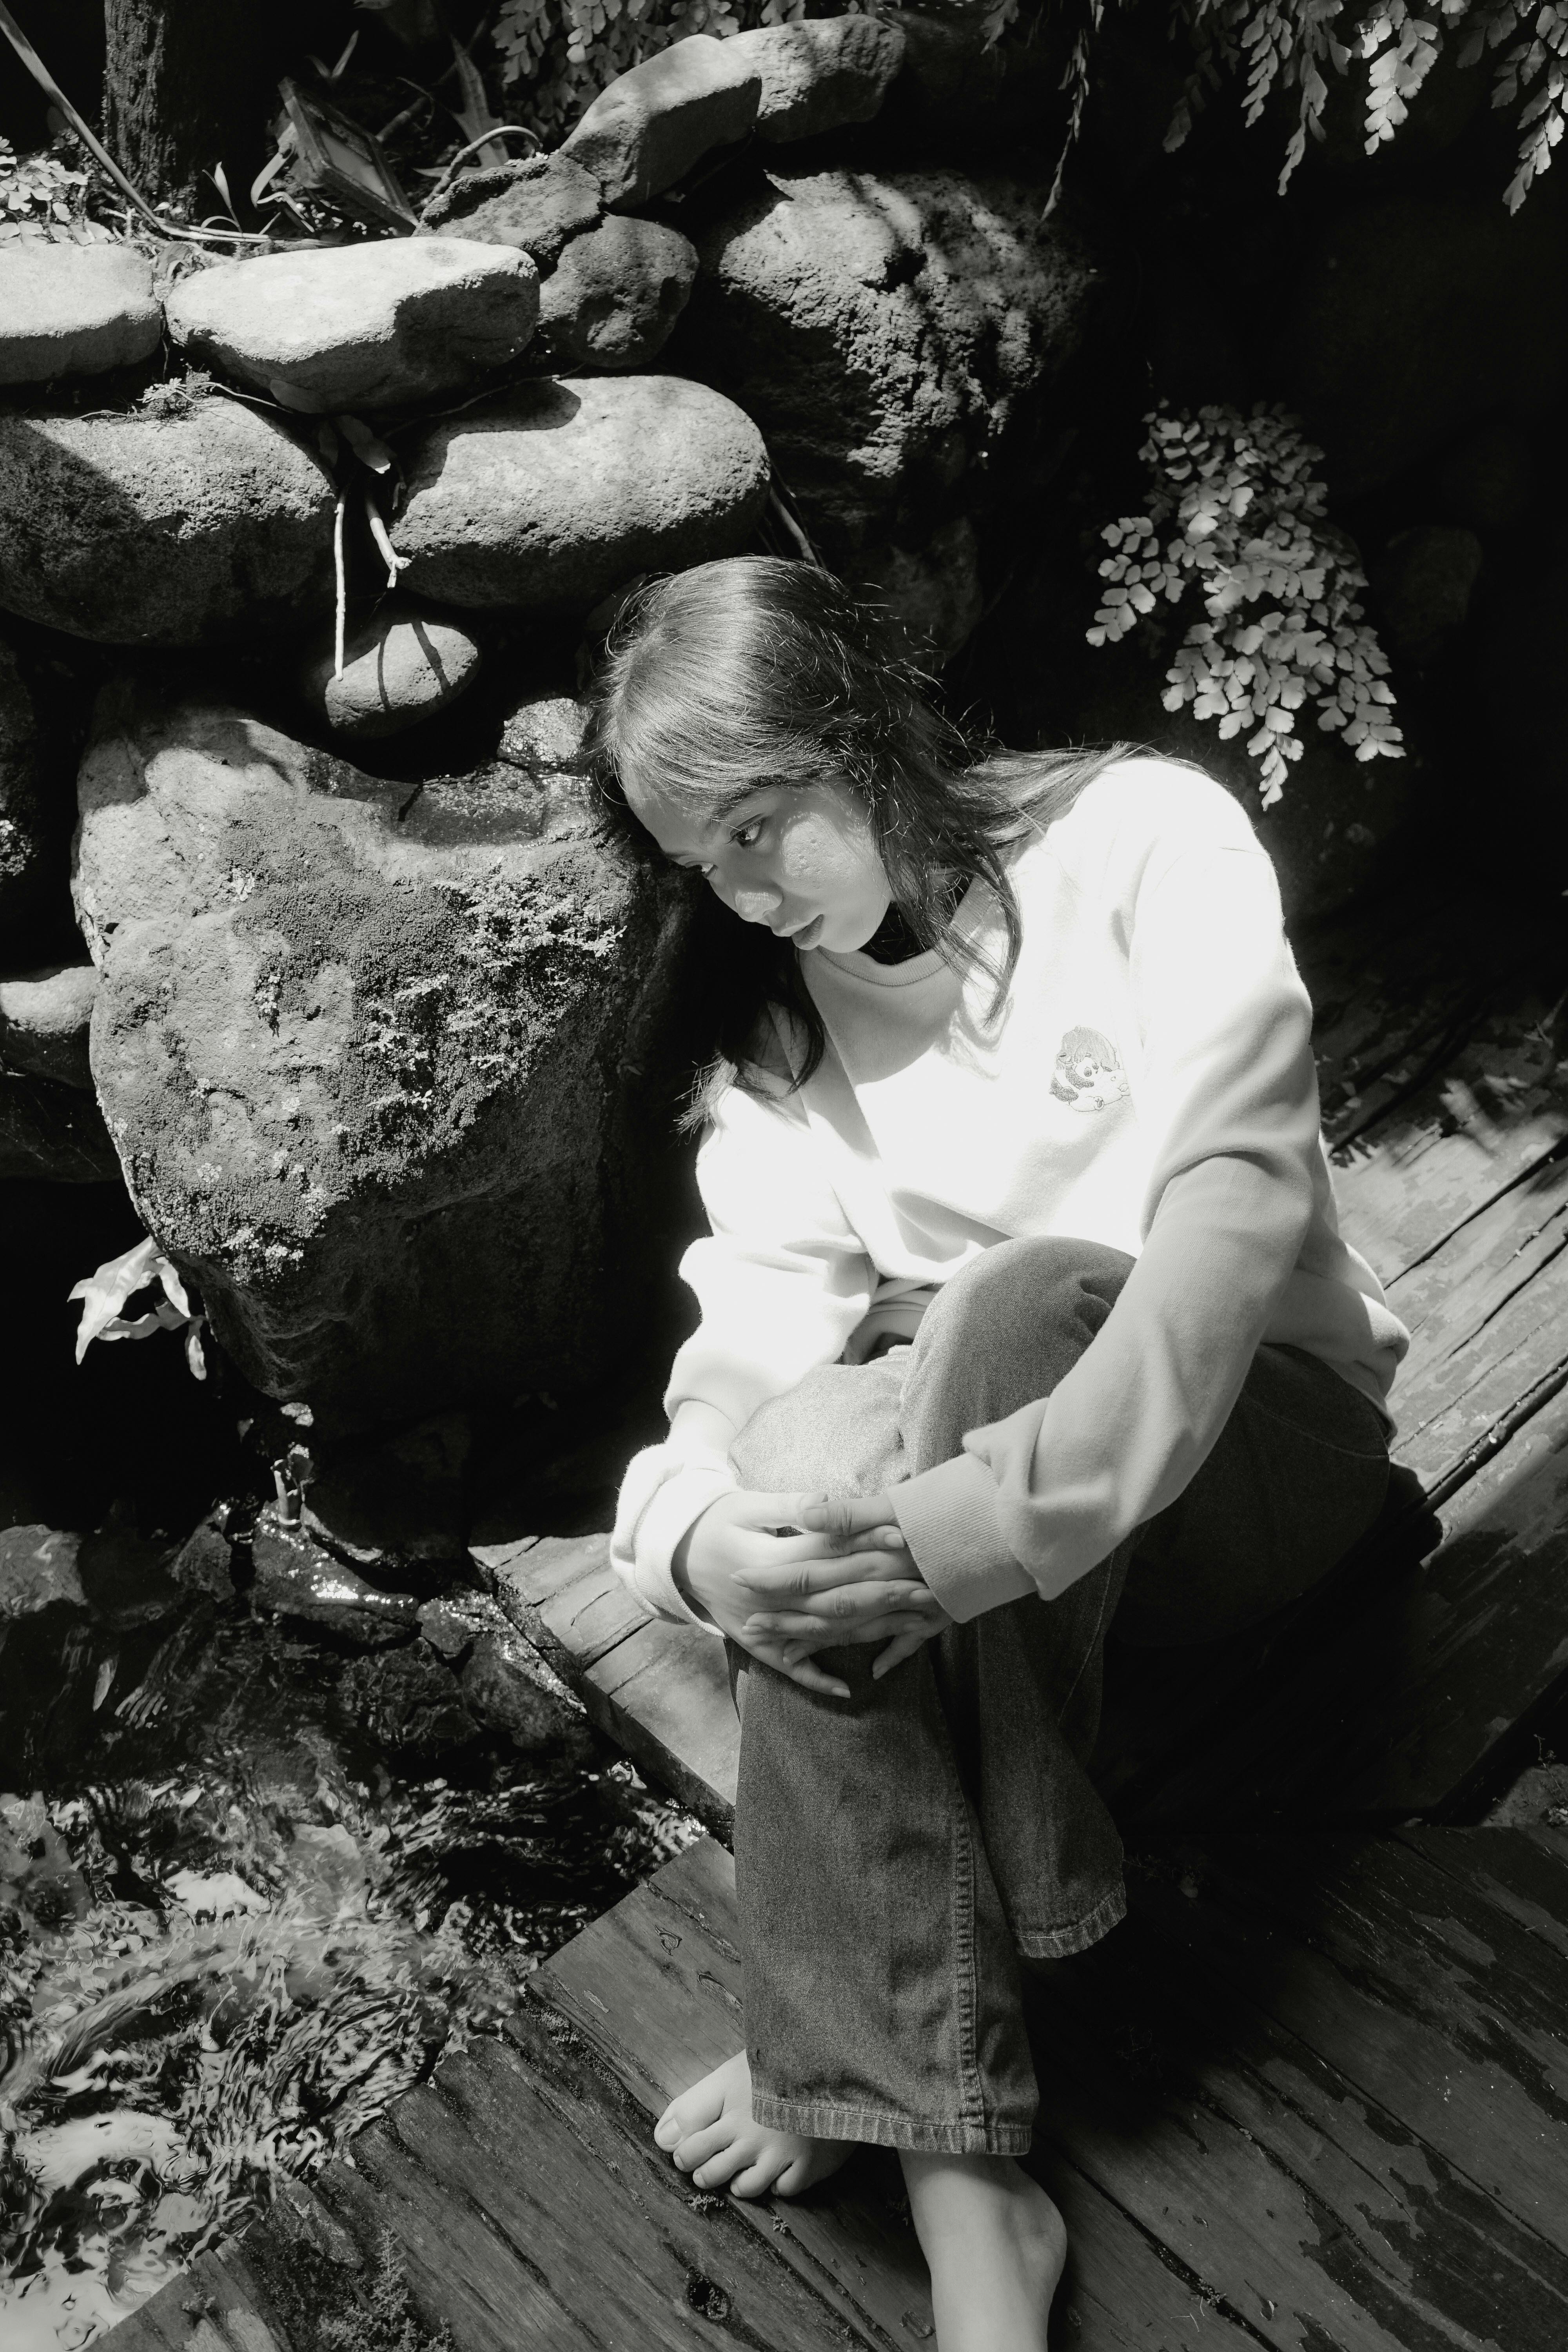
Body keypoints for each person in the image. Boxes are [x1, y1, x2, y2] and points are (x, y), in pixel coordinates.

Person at [588, 555, 1407, 2351]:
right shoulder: (777, 1040)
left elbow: (1237, 1201)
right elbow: (739, 1360)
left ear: (863, 729)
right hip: (1028, 1583)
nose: (747, 892)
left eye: (765, 822)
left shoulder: (1138, 839)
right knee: (808, 1444)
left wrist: (971, 1529)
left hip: (1264, 1472)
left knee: (1006, 1305)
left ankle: (875, 2010)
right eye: (700, 861)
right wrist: (695, 1541)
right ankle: (973, 2204)